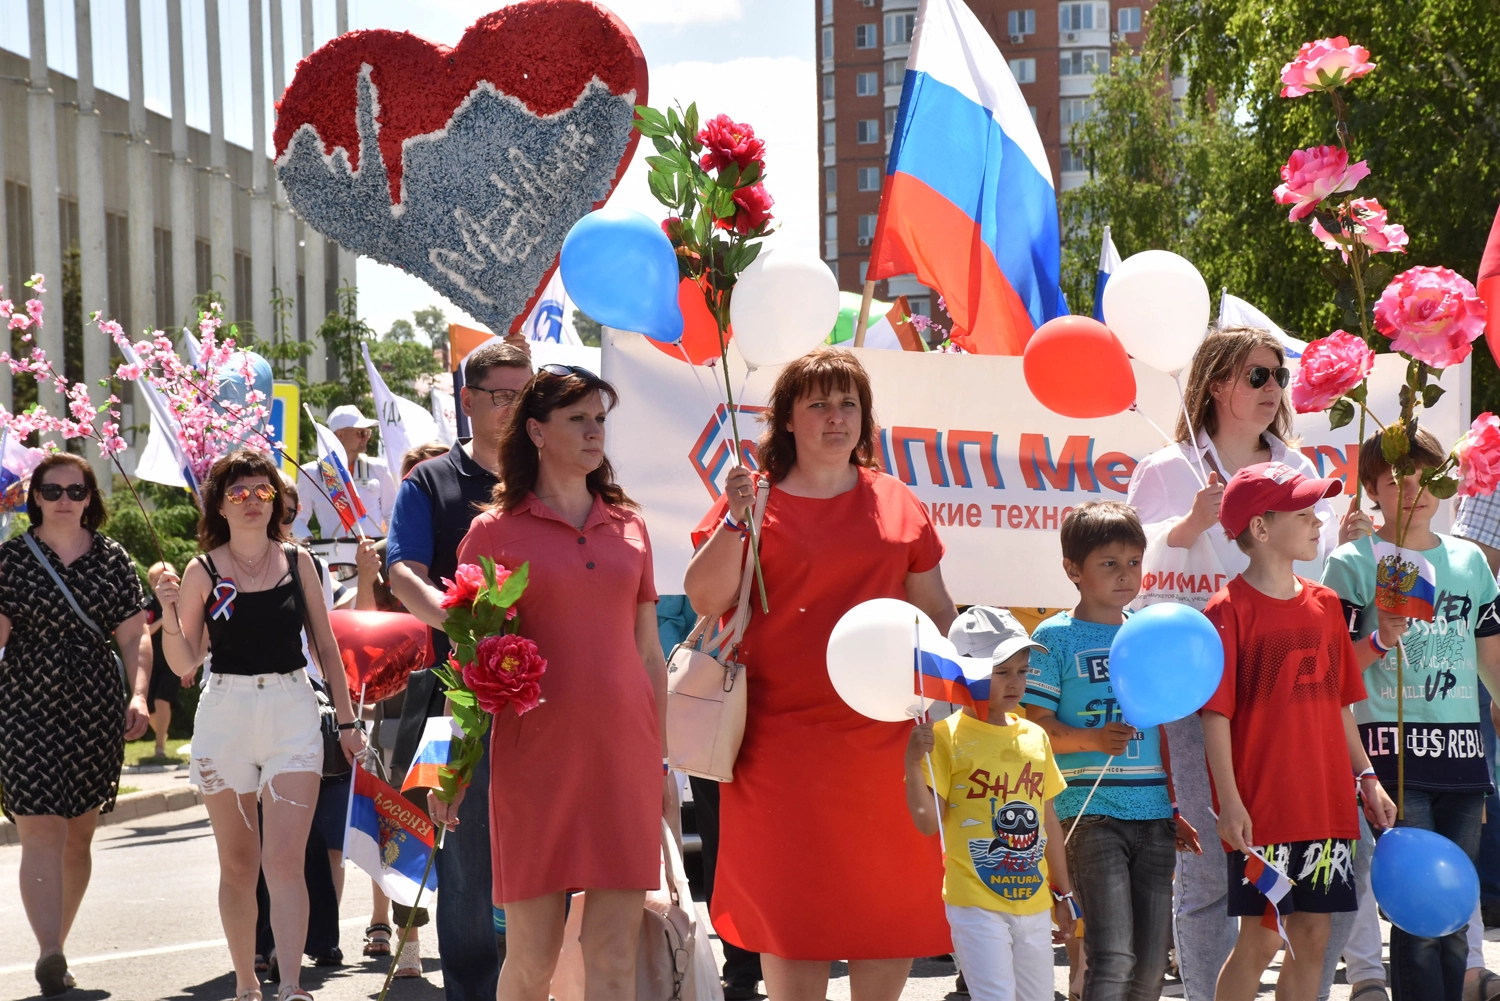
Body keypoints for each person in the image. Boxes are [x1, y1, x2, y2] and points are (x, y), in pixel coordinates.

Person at [684, 347, 957, 1001]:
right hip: (779, 749)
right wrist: (734, 518)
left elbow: (938, 613)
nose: (836, 417)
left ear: (865, 418)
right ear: (786, 420)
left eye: (848, 404)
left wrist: (959, 699)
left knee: (886, 920)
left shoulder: (898, 501)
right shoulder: (756, 497)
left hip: (887, 750)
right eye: (819, 404)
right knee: (794, 924)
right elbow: (704, 596)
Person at [1126, 325, 1367, 1000]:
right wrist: (1188, 527)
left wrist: (1343, 544)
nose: (1273, 389)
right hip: (1198, 691)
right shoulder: (1168, 468)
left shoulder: (1295, 465)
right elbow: (1122, 574)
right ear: (1214, 384)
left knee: (1323, 875)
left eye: (1278, 377)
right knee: (1212, 870)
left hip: (1292, 703)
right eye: (1256, 376)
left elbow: (1309, 580)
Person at [439, 364, 670, 999]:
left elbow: (650, 653)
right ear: (536, 431)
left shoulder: (631, 525)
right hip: (534, 763)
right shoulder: (492, 531)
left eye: (601, 419)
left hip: (625, 758)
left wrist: (663, 763)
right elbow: (470, 665)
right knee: (533, 959)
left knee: (614, 955)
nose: (596, 432)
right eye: (579, 419)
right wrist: (456, 773)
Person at [152, 449, 366, 1001]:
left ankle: (291, 984)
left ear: (276, 500)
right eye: (239, 493)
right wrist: (170, 614)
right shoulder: (202, 569)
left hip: (292, 709)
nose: (252, 502)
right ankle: (247, 982)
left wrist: (347, 721)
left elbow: (325, 645)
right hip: (225, 714)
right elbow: (184, 662)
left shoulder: (298, 562)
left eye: (263, 492)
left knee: (286, 861)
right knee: (240, 863)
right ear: (219, 505)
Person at [1201, 462, 1396, 1001]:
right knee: (1260, 942)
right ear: (1260, 529)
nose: (1318, 523)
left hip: (1328, 806)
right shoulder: (1227, 609)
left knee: (1312, 938)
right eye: (1305, 513)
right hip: (1264, 811)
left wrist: (1367, 778)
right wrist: (1231, 803)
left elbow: (1340, 705)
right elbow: (1215, 716)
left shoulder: (1328, 605)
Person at [1322, 430, 1500, 1001]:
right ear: (1372, 490)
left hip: (1462, 755)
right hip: (1392, 751)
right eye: (1396, 480)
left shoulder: (1469, 559)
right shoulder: (1353, 561)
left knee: (1454, 903)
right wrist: (1378, 639)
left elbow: (1489, 650)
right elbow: (1332, 671)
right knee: (1418, 912)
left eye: (1425, 475)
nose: (1414, 489)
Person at [385, 340, 532, 1001]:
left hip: (549, 704)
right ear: (467, 401)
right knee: (467, 871)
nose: (516, 406)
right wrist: (462, 622)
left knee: (544, 863)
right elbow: (402, 572)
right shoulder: (430, 483)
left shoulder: (556, 478)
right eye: (502, 394)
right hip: (458, 703)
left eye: (526, 393)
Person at [1022, 501, 1201, 1001]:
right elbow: (1035, 727)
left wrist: (1172, 807)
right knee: (1114, 955)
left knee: (1149, 969)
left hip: (1153, 816)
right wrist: (1092, 741)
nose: (1126, 575)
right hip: (1088, 813)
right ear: (1072, 570)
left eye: (1134, 562)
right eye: (1109, 563)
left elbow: (1161, 729)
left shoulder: (1147, 631)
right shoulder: (1053, 637)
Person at [0, 452, 152, 997]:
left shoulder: (113, 558)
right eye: (52, 490)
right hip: (25, 704)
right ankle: (49, 951)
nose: (64, 500)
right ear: (33, 497)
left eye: (76, 491)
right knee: (40, 828)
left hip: (95, 706)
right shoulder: (11, 561)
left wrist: (137, 695)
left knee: (78, 837)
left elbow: (136, 637)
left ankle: (55, 947)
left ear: (91, 499)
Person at [906, 611, 1077, 1001]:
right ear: (967, 671)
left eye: (1022, 669)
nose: (1016, 681)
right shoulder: (944, 737)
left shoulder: (1035, 735)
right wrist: (911, 763)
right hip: (974, 902)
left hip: (1033, 901)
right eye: (1002, 671)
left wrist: (1064, 895)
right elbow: (928, 823)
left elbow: (1047, 820)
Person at [293, 405, 397, 539]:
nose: (366, 438)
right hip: (336, 554)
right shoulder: (311, 473)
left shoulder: (379, 468)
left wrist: (390, 546)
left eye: (367, 432)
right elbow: (297, 517)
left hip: (374, 552)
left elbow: (392, 513)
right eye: (361, 433)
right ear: (340, 435)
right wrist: (309, 543)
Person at [144, 560, 191, 761]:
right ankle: (162, 733)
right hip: (151, 660)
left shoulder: (185, 602)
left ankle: (160, 747)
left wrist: (191, 666)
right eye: (157, 579)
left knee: (162, 701)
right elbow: (143, 630)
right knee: (149, 709)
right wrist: (165, 617)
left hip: (172, 660)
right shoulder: (147, 604)